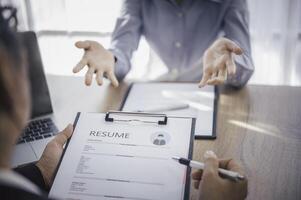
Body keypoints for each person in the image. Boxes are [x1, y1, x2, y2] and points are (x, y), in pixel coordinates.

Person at [0, 6, 247, 200]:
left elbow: (245, 61)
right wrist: (112, 58)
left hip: (210, 93)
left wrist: (41, 172)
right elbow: (121, 50)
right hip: (149, 96)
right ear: (15, 86)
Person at [73, 0, 254, 88]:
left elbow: (244, 62)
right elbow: (122, 46)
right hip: (151, 88)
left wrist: (229, 62)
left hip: (207, 88)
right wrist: (111, 59)